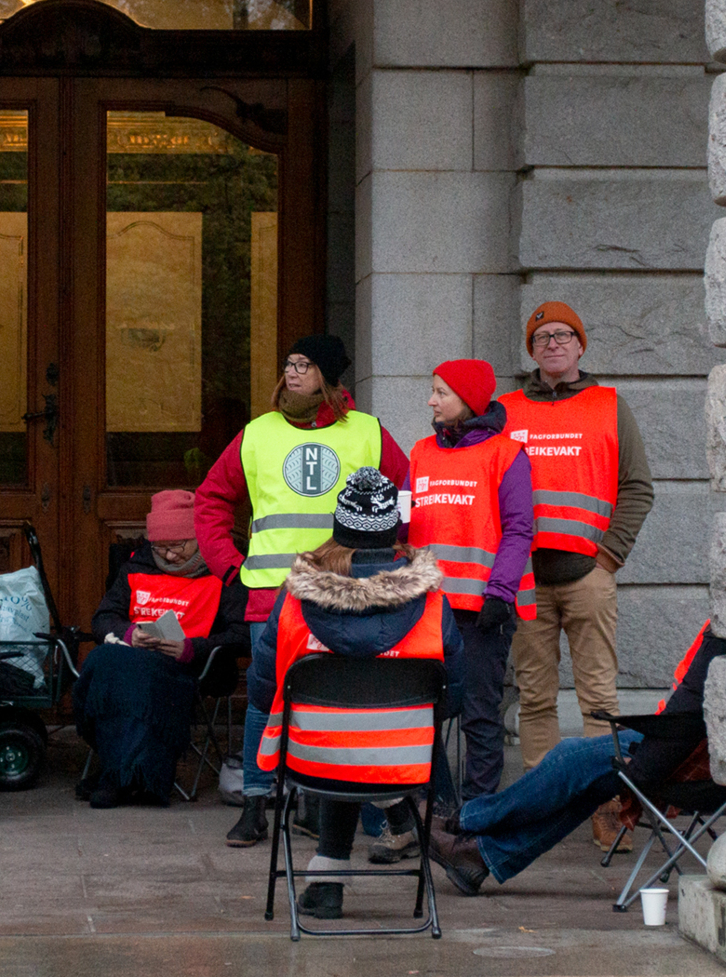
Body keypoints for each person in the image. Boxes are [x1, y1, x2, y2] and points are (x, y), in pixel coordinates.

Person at [195, 334, 411, 848]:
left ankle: (320, 808)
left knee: (336, 701)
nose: (292, 373)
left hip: (343, 594)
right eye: (289, 363)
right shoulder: (255, 434)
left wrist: (386, 561)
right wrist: (230, 569)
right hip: (270, 596)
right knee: (264, 703)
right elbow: (210, 502)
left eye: (305, 365)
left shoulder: (368, 432)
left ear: (330, 378)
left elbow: (405, 496)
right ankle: (255, 805)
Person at [248, 467, 464, 920]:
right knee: (369, 739)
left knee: (337, 740)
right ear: (392, 533)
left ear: (339, 527)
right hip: (403, 760)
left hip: (312, 759)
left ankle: (327, 888)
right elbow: (454, 697)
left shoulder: (296, 600)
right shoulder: (432, 602)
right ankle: (400, 818)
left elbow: (263, 685)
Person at [496, 300, 654, 847]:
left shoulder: (609, 405)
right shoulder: (506, 409)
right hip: (527, 581)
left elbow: (637, 487)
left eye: (564, 336)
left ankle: (608, 810)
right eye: (542, 338)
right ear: (531, 350)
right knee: (535, 697)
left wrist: (609, 557)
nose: (554, 344)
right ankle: (544, 812)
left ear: (581, 345)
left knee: (599, 701)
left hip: (589, 576)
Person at [428, 623, 726, 896]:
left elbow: (687, 714)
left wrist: (644, 767)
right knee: (586, 780)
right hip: (685, 746)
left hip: (682, 754)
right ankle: (479, 856)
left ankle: (464, 821)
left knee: (569, 758)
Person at [405, 359, 534, 801]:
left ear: (468, 400)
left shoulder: (506, 454)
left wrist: (499, 592)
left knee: (479, 716)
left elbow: (519, 529)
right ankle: (437, 810)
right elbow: (405, 524)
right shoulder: (421, 451)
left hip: (481, 613)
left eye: (441, 392)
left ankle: (477, 818)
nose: (431, 400)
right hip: (424, 608)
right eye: (433, 390)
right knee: (419, 713)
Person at [75, 489, 249, 808]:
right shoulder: (135, 567)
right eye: (160, 547)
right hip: (132, 656)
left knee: (130, 673)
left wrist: (191, 647)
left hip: (190, 665)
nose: (168, 556)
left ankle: (122, 776)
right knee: (104, 660)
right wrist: (129, 634)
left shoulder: (225, 573)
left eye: (178, 546)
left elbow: (242, 634)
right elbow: (102, 618)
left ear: (199, 538)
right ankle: (126, 774)